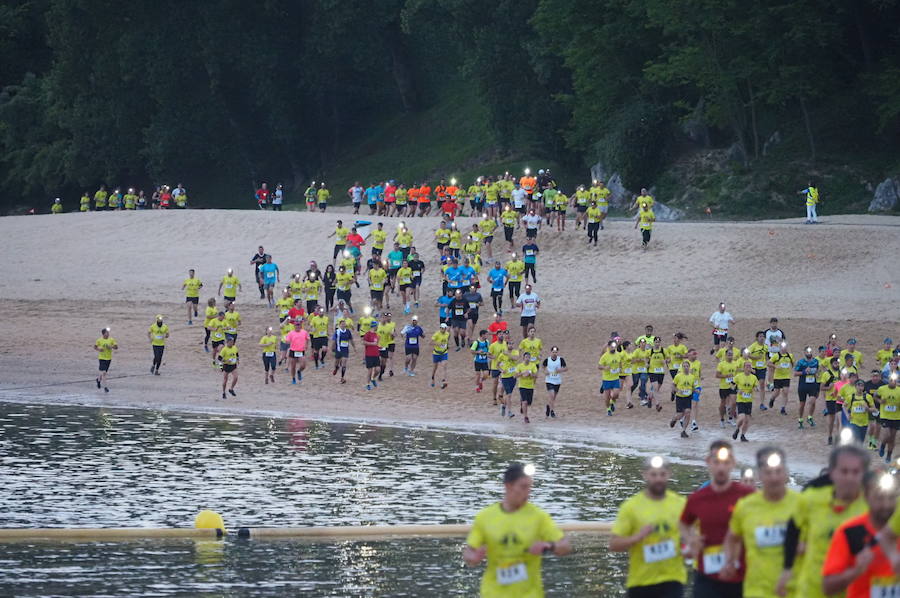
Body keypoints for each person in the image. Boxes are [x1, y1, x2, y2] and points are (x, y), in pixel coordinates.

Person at [463, 463, 571, 598]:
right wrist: (473, 557)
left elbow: (565, 546)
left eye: (530, 487)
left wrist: (549, 546)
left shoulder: (538, 517)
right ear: (508, 486)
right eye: (523, 487)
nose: (528, 492)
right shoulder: (485, 517)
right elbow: (469, 552)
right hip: (493, 593)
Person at [779, 445, 869, 598]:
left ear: (864, 474)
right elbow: (792, 529)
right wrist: (787, 568)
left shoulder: (872, 503)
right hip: (813, 589)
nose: (849, 478)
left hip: (856, 590)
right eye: (844, 471)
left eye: (855, 472)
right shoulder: (811, 497)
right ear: (832, 473)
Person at [680, 442, 754, 598]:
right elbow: (683, 522)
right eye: (717, 462)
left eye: (726, 463)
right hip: (706, 577)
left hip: (741, 576)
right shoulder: (697, 498)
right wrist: (691, 539)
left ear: (733, 463)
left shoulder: (747, 495)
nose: (721, 468)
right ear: (708, 462)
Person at [722, 447, 799, 598]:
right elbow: (731, 538)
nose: (774, 478)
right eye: (768, 473)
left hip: (793, 590)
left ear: (786, 473)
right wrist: (729, 562)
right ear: (760, 476)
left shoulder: (801, 505)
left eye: (778, 471)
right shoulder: (745, 507)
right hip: (756, 591)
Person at [610, 455, 686, 598]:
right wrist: (637, 537)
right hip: (641, 582)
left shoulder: (680, 504)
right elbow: (614, 545)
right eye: (653, 474)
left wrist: (689, 546)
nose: (658, 479)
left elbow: (694, 536)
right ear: (644, 475)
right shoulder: (631, 507)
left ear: (669, 474)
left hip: (673, 580)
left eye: (662, 474)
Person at [824, 470, 899, 598]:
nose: (886, 504)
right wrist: (856, 571)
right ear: (866, 497)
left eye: (891, 497)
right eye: (879, 498)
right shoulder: (850, 531)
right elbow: (828, 587)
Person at [732, 360, 758, 442]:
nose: (748, 368)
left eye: (750, 366)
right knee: (742, 417)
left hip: (749, 401)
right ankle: (737, 429)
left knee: (747, 420)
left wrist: (754, 389)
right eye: (747, 366)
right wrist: (737, 390)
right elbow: (732, 385)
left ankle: (743, 435)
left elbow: (756, 387)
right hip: (741, 400)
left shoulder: (754, 377)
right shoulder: (738, 376)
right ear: (743, 368)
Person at [877, 373, 900, 462]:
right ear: (888, 380)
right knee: (887, 434)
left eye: (895, 381)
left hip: (896, 417)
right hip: (885, 415)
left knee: (892, 437)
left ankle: (889, 455)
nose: (893, 382)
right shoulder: (882, 389)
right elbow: (875, 396)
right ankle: (882, 446)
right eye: (891, 380)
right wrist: (879, 400)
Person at [670, 361, 696, 438]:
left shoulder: (692, 376)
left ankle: (683, 431)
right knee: (680, 415)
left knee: (688, 413)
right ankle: (674, 419)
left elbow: (692, 387)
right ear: (682, 367)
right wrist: (677, 390)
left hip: (688, 397)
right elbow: (673, 385)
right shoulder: (678, 376)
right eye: (684, 366)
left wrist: (695, 390)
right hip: (680, 397)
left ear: (689, 367)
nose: (685, 368)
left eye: (687, 366)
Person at [768, 342, 795, 414]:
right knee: (777, 392)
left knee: (785, 392)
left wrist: (792, 368)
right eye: (782, 347)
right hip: (777, 377)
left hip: (786, 377)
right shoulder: (776, 356)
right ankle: (772, 399)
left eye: (785, 347)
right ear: (780, 348)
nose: (784, 348)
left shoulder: (790, 356)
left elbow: (793, 363)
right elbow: (768, 363)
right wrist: (775, 366)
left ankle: (783, 408)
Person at [598, 340, 623, 417]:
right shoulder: (605, 356)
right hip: (607, 379)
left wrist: (620, 368)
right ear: (608, 347)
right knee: (607, 396)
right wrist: (605, 367)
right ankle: (608, 409)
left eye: (614, 347)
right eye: (612, 347)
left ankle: (612, 402)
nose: (613, 348)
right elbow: (599, 366)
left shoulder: (618, 354)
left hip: (615, 378)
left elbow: (620, 363)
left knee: (616, 394)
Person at [715, 348, 738, 429]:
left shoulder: (735, 363)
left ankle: (731, 418)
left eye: (731, 354)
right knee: (723, 404)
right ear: (725, 355)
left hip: (732, 386)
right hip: (723, 386)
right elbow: (717, 375)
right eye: (728, 354)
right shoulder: (721, 364)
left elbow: (737, 373)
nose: (730, 356)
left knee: (734, 402)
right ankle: (721, 420)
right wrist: (726, 376)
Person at [542, 347, 567, 418]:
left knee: (553, 398)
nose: (554, 353)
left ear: (557, 352)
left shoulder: (561, 359)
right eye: (553, 352)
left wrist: (560, 370)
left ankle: (548, 406)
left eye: (556, 352)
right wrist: (545, 371)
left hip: (557, 381)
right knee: (552, 395)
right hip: (549, 380)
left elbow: (566, 368)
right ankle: (552, 411)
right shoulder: (547, 360)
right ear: (551, 352)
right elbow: (543, 366)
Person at [516, 352, 539, 423]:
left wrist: (530, 374)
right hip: (522, 386)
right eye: (526, 357)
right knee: (525, 402)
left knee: (529, 403)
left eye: (529, 357)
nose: (527, 359)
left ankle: (522, 404)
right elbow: (515, 375)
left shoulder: (533, 365)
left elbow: (536, 375)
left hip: (530, 386)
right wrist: (522, 373)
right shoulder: (520, 366)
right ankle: (526, 417)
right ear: (523, 358)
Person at [284, 320, 310, 384]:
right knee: (293, 366)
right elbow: (287, 340)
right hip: (293, 351)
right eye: (296, 325)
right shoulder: (291, 333)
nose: (298, 326)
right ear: (294, 326)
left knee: (303, 365)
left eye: (299, 325)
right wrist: (286, 341)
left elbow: (307, 339)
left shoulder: (304, 332)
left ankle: (299, 371)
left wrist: (306, 345)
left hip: (301, 351)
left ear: (301, 325)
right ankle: (293, 379)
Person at [93, 327, 117, 393]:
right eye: (107, 333)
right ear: (103, 334)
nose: (108, 334)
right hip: (101, 358)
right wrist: (99, 349)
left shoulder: (111, 339)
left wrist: (111, 347)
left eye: (108, 333)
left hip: (108, 358)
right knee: (104, 373)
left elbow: (116, 347)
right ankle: (105, 387)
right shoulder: (99, 340)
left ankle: (98, 380)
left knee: (103, 373)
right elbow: (95, 347)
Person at [376, 312, 396, 379]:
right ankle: (378, 375)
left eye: (385, 318)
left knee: (384, 362)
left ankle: (381, 373)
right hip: (377, 346)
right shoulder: (377, 325)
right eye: (382, 318)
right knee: (378, 360)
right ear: (380, 318)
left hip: (385, 346)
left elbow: (392, 337)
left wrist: (393, 335)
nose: (384, 319)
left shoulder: (389, 327)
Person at [361, 320, 381, 390]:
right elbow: (363, 342)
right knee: (370, 370)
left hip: (376, 354)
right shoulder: (368, 334)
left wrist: (379, 347)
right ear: (374, 326)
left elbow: (376, 344)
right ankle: (368, 384)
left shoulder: (376, 335)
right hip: (369, 354)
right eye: (377, 326)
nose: (377, 327)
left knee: (378, 370)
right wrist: (372, 344)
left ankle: (373, 378)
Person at [431, 322, 450, 389]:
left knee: (444, 366)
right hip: (436, 353)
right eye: (441, 328)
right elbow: (431, 342)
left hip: (444, 353)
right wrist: (438, 344)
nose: (443, 330)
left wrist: (446, 346)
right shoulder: (436, 334)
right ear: (440, 328)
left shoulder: (447, 334)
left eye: (444, 328)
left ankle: (443, 381)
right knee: (435, 368)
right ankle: (432, 378)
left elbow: (446, 341)